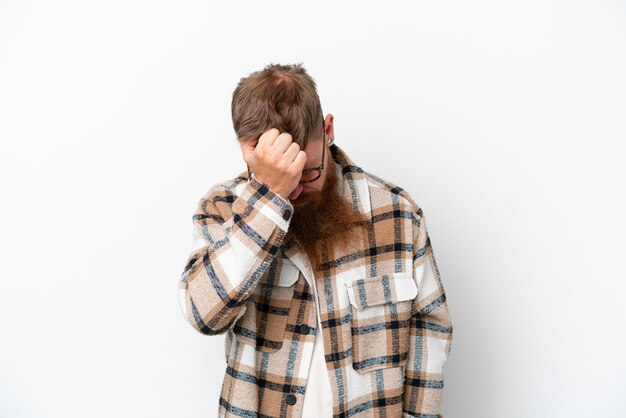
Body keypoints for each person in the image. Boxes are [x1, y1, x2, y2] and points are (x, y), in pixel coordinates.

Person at [178, 63, 453, 417]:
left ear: (328, 130)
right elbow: (204, 315)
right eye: (282, 175)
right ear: (251, 152)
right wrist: (268, 199)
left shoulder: (397, 214)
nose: (295, 190)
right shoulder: (224, 209)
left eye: (307, 172)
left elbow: (430, 331)